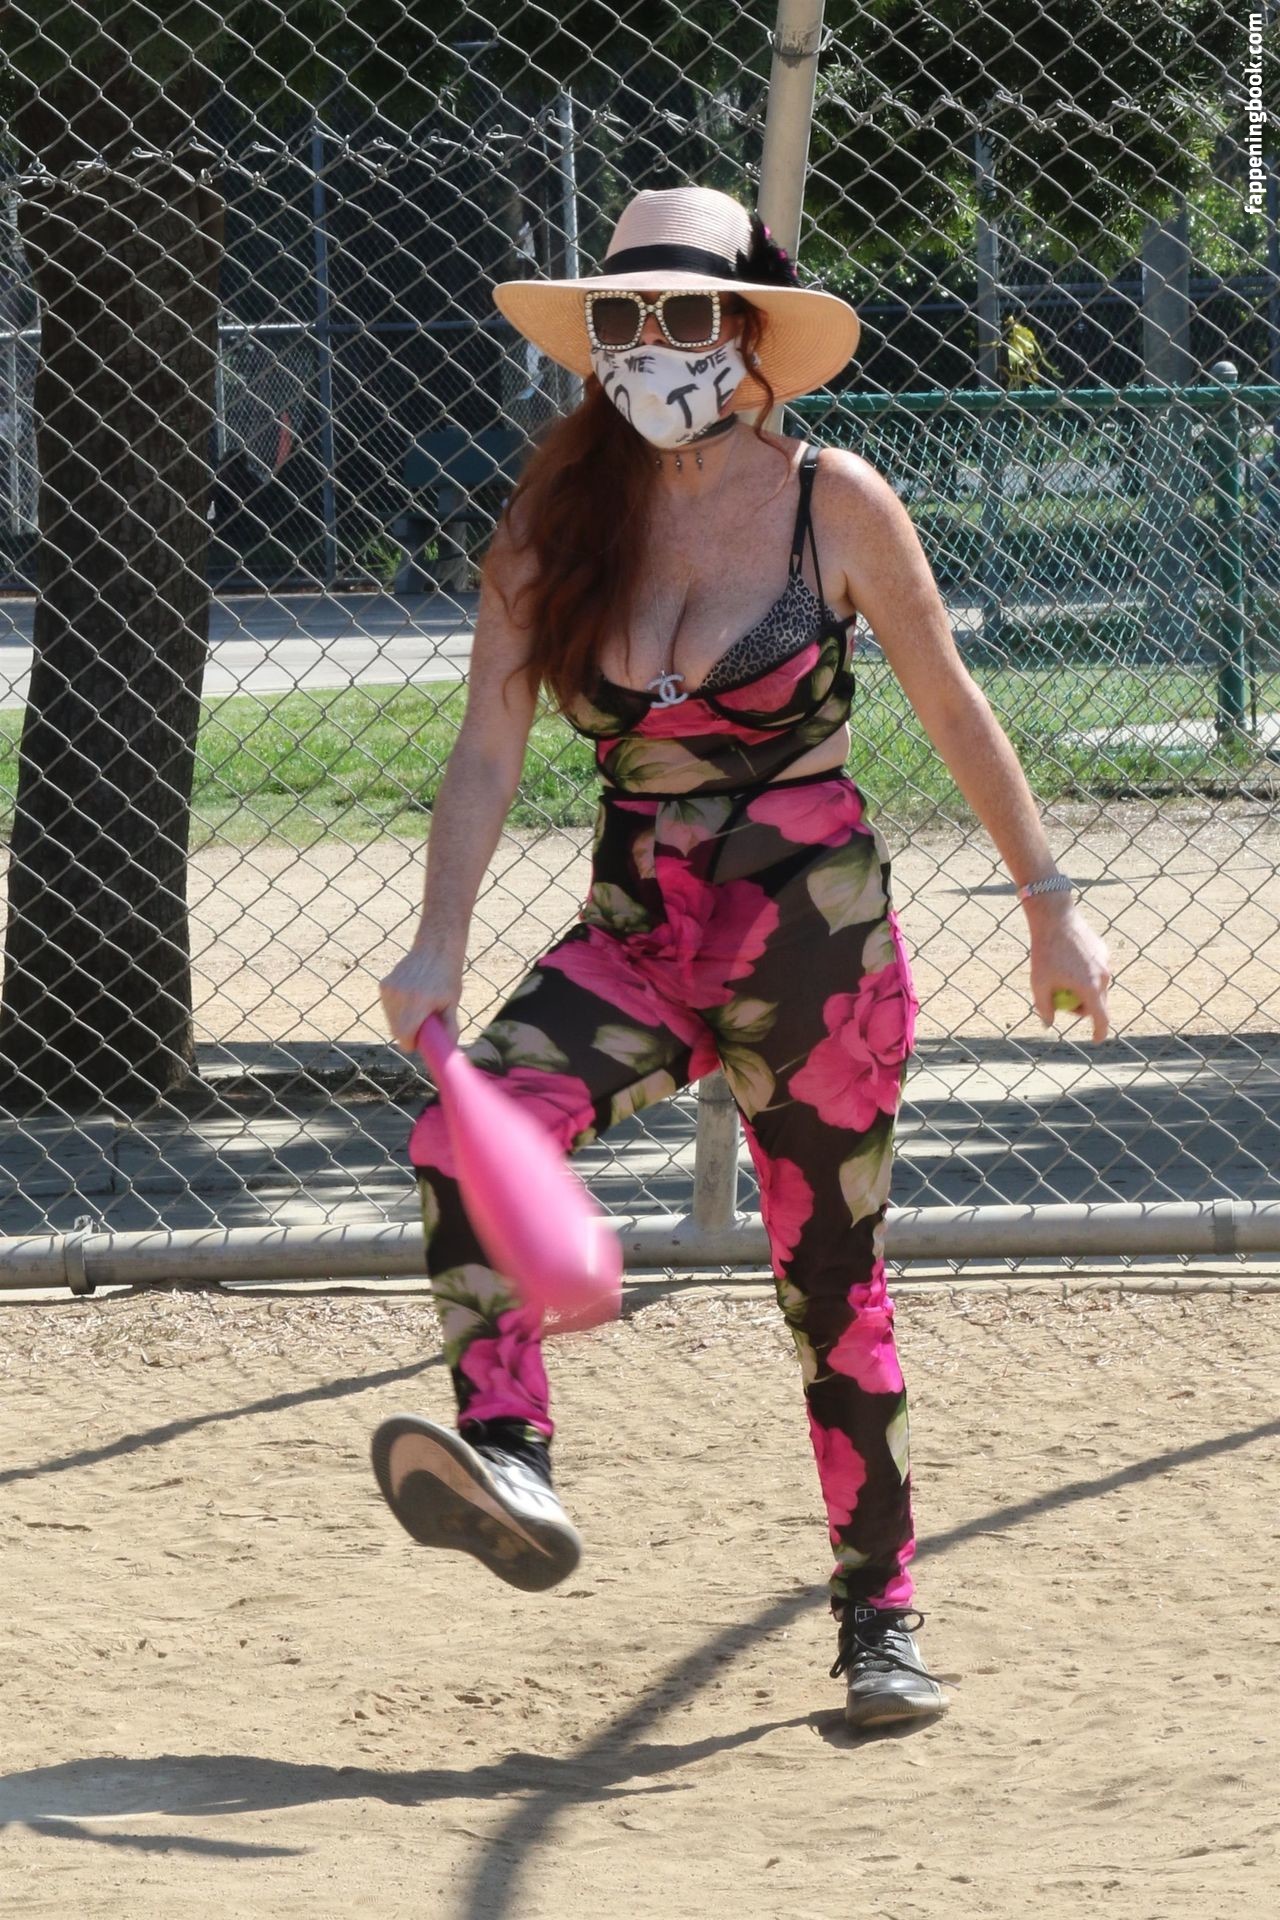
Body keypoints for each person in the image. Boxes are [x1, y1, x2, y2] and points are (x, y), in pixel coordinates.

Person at [373, 185, 1113, 1731]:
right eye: (624, 315)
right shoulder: (555, 518)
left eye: (688, 310)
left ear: (751, 331)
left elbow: (951, 700)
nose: (654, 340)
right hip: (639, 937)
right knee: (464, 1129)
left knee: (831, 1292)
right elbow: (486, 752)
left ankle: (880, 1617)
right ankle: (508, 1455)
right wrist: (438, 944)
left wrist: (1047, 899)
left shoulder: (834, 503)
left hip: (814, 954)